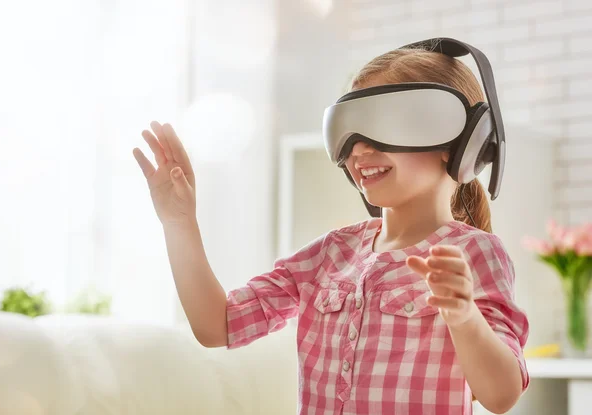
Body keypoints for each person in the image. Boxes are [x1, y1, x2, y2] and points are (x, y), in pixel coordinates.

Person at [133, 43, 529, 415]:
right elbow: (217, 326)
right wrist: (179, 222)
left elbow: (500, 395)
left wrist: (463, 316)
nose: (357, 149)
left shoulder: (475, 254)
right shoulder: (330, 254)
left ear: (461, 142)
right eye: (349, 128)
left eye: (383, 124)